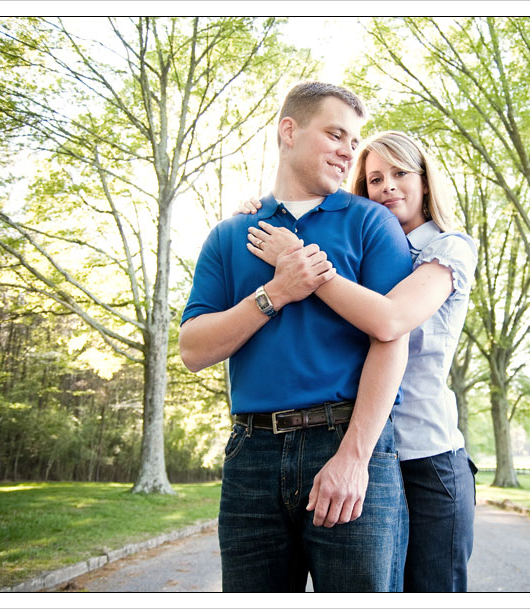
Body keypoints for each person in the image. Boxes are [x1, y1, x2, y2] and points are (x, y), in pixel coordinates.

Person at [179, 83, 413, 592]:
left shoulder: (372, 222)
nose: (349, 151)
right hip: (251, 454)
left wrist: (354, 458)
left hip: (350, 442)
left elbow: (392, 338)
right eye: (335, 134)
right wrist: (276, 292)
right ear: (289, 130)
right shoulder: (229, 234)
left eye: (354, 140)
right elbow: (193, 350)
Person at [237, 130, 478, 592]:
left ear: (425, 181)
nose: (387, 186)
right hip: (367, 452)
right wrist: (260, 214)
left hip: (424, 455)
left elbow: (390, 321)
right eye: (373, 179)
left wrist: (299, 263)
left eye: (401, 173)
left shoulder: (447, 249)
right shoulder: (361, 244)